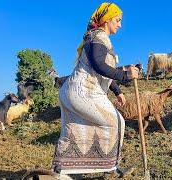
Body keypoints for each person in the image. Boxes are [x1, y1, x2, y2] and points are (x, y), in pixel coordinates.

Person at [52, 2, 138, 177]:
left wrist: (117, 91)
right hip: (83, 91)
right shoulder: (98, 37)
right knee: (117, 122)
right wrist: (125, 74)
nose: (120, 25)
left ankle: (66, 171)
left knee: (75, 129)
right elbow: (100, 66)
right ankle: (110, 169)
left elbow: (102, 71)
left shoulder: (95, 38)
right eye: (118, 20)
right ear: (107, 20)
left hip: (74, 91)